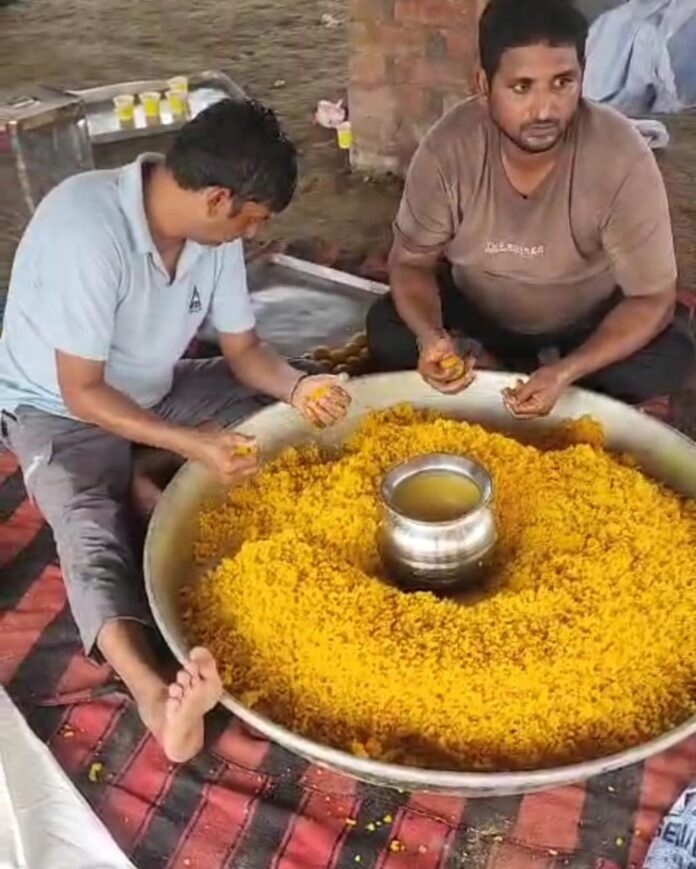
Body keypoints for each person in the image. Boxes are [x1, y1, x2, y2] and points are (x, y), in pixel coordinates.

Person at [0, 98, 351, 762]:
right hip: (60, 409)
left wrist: (300, 389)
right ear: (219, 198)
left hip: (157, 390)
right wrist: (191, 444)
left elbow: (246, 352)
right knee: (89, 529)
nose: (253, 234)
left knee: (298, 402)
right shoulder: (86, 228)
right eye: (253, 220)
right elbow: (83, 388)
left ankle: (145, 469)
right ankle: (157, 698)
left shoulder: (208, 238)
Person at [366, 0, 695, 418]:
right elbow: (411, 263)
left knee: (667, 354)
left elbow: (652, 298)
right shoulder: (447, 150)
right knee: (390, 327)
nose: (545, 110)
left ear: (582, 75)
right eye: (522, 87)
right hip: (476, 318)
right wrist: (432, 338)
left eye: (562, 83)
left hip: (584, 326)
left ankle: (533, 379)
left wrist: (567, 371)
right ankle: (489, 365)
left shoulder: (621, 156)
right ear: (484, 84)